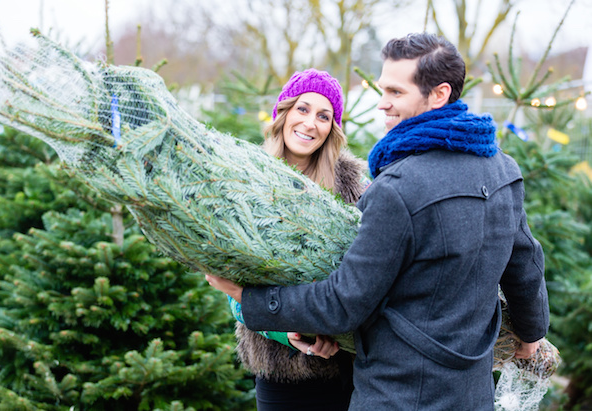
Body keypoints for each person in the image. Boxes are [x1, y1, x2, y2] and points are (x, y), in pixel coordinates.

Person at [206, 33, 550, 410]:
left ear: (438, 94)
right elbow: (525, 268)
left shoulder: (396, 188)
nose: (382, 103)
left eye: (396, 92)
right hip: (472, 395)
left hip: (396, 394)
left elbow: (344, 302)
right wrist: (531, 333)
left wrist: (250, 298)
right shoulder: (504, 169)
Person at [223, 68, 369, 411]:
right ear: (283, 112)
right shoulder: (249, 182)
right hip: (281, 373)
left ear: (332, 128)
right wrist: (285, 332)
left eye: (323, 116)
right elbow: (232, 292)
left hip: (346, 371)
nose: (310, 123)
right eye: (302, 109)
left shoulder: (353, 189)